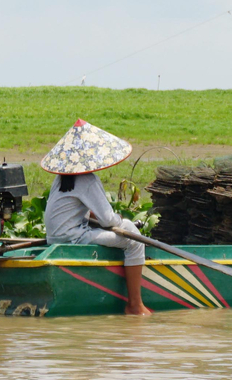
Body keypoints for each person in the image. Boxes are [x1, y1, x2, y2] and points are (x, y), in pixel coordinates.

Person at [40, 118, 150, 316]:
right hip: (75, 237)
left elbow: (78, 209)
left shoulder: (62, 178)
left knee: (124, 230)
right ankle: (135, 305)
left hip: (56, 237)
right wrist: (120, 220)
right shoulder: (87, 179)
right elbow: (109, 220)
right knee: (134, 239)